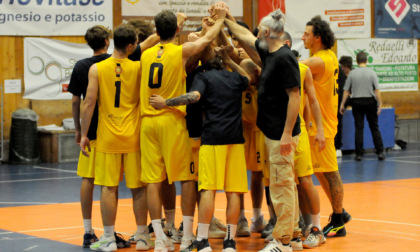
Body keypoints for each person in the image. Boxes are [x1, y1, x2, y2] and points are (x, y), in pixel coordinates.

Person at [139, 5, 227, 251]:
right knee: (187, 179)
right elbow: (209, 39)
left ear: (157, 30)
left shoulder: (145, 54)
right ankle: (188, 235)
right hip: (171, 118)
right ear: (178, 31)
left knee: (153, 182)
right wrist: (219, 20)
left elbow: (154, 40)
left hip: (147, 121)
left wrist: (174, 24)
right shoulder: (181, 51)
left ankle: (160, 237)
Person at [150, 46, 251, 252]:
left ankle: (203, 239)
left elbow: (194, 97)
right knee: (233, 192)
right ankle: (230, 242)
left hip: (213, 138)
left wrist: (166, 102)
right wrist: (230, 61)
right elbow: (248, 78)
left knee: (208, 190)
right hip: (236, 140)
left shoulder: (204, 77)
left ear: (205, 67)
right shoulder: (234, 78)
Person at [224, 8, 301, 252]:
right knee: (285, 184)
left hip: (282, 134)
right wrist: (225, 17)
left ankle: (283, 241)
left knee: (281, 186)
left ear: (267, 32)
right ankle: (295, 235)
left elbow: (294, 96)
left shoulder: (285, 58)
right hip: (273, 132)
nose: (256, 32)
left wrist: (287, 133)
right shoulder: (270, 52)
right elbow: (245, 37)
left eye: (259, 29)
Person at [80, 23, 149, 252]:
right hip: (133, 136)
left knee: (109, 187)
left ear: (113, 42)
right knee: (138, 188)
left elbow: (88, 103)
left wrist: (83, 134)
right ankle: (142, 237)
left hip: (108, 136)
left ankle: (108, 238)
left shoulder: (97, 69)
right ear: (131, 46)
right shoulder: (139, 68)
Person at [68, 25, 130, 249]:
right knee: (110, 185)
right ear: (107, 40)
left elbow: (77, 101)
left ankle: (87, 231)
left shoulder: (81, 66)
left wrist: (78, 129)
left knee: (88, 179)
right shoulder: (116, 64)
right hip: (112, 128)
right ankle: (109, 234)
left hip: (90, 129)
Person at [300, 15, 351, 238]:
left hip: (323, 127)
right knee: (320, 172)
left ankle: (339, 219)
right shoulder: (328, 56)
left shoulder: (317, 61)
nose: (303, 37)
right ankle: (342, 213)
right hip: (321, 123)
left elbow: (287, 66)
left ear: (317, 38)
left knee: (331, 174)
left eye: (306, 34)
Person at [281, 31, 327, 249]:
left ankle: (316, 228)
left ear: (286, 44)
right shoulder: (269, 67)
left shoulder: (303, 70)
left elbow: (313, 102)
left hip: (297, 133)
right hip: (275, 133)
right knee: (285, 184)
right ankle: (292, 227)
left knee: (305, 180)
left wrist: (318, 130)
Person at [340, 51, 385, 161]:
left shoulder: (352, 74)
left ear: (357, 61)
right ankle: (380, 152)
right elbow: (377, 91)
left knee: (359, 128)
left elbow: (346, 91)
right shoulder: (372, 72)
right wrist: (380, 104)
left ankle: (359, 154)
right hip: (370, 101)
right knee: (374, 127)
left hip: (357, 102)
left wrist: (342, 104)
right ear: (365, 60)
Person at [335, 56, 353, 157]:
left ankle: (338, 146)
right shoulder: (340, 74)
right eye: (341, 66)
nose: (343, 68)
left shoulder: (353, 75)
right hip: (341, 99)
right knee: (338, 123)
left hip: (350, 99)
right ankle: (337, 146)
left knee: (339, 123)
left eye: (344, 66)